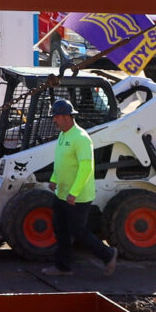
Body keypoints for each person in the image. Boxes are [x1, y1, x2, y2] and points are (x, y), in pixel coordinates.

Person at [42, 101, 117, 278]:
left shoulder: (81, 138)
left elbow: (86, 168)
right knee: (60, 228)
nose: (54, 120)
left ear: (67, 117)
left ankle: (108, 254)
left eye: (57, 117)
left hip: (78, 196)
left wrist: (74, 192)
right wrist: (54, 179)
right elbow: (60, 161)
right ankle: (63, 267)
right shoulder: (63, 135)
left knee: (78, 230)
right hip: (62, 193)